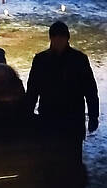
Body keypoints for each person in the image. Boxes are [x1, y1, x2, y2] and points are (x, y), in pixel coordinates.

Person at [26, 21, 99, 159]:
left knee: (72, 160)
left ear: (67, 38)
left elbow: (90, 89)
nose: (58, 41)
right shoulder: (41, 60)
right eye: (55, 37)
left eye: (62, 37)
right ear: (51, 39)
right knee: (49, 160)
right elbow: (32, 89)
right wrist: (27, 113)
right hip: (48, 119)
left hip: (72, 121)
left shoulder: (79, 60)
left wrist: (93, 115)